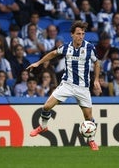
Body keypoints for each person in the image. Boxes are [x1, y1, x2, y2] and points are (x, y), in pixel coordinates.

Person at [26, 21, 101, 151]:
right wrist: (38, 63)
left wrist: (96, 80)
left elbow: (97, 63)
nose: (81, 36)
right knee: (47, 106)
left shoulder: (89, 48)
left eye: (83, 34)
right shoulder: (66, 47)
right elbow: (53, 54)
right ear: (72, 34)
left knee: (88, 118)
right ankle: (43, 126)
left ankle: (91, 140)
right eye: (78, 34)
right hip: (67, 84)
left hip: (83, 87)